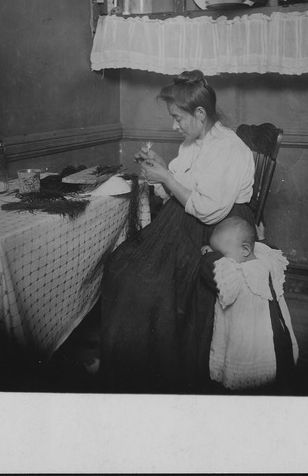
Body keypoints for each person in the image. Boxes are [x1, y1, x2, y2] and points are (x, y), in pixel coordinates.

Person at [100, 71, 256, 393]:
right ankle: (124, 366)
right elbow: (179, 188)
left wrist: (167, 179)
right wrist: (162, 169)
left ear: (200, 113)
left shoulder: (228, 148)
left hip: (215, 228)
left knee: (147, 282)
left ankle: (154, 374)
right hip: (184, 218)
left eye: (177, 118)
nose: (174, 126)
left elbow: (208, 208)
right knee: (121, 264)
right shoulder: (194, 142)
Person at [200, 216, 299, 393]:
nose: (220, 258)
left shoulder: (239, 273)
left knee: (256, 382)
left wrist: (209, 255)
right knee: (281, 371)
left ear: (245, 249)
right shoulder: (265, 262)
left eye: (222, 254)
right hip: (277, 336)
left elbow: (211, 270)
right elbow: (269, 249)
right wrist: (261, 238)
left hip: (254, 348)